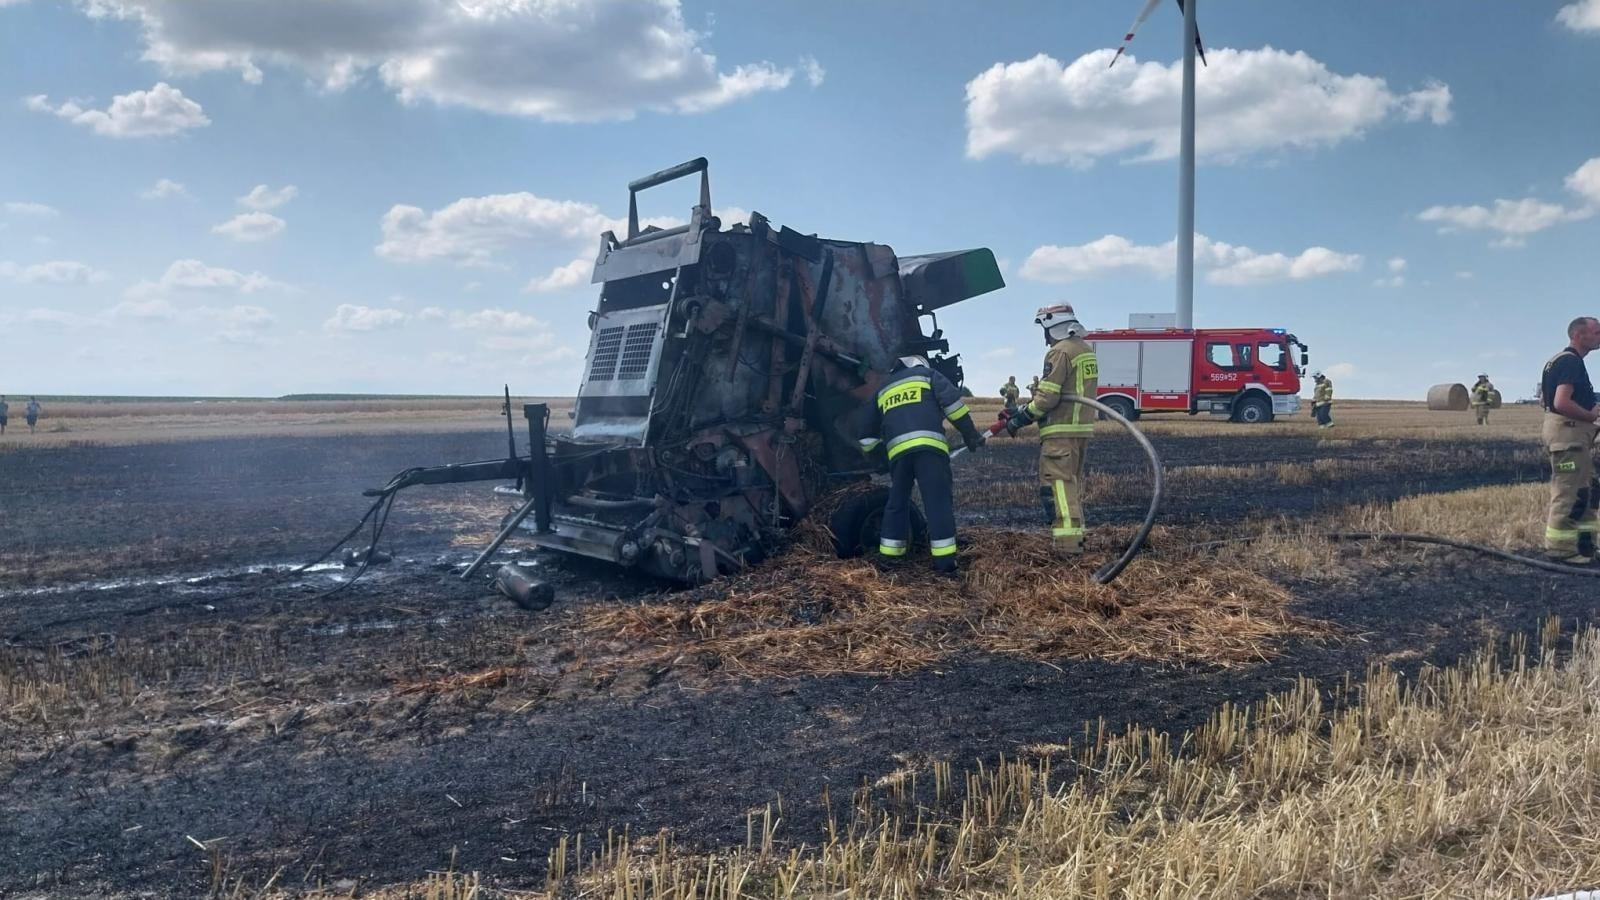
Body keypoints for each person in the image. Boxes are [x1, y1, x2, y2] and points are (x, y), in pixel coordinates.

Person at [856, 355, 983, 575]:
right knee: (937, 503)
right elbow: (955, 408)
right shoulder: (928, 376)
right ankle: (945, 565)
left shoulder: (883, 389)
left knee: (896, 503)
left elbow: (865, 436)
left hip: (898, 456)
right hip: (929, 451)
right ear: (920, 365)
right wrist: (970, 435)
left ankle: (889, 559)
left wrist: (882, 458)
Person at [1002, 304, 1098, 557]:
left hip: (1060, 432)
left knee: (1058, 490)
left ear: (1051, 325)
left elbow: (1047, 398)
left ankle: (1067, 549)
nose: (1045, 340)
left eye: (1044, 330)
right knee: (1069, 488)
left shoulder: (1060, 352)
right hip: (1079, 430)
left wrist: (1020, 419)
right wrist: (1022, 410)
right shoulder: (1084, 350)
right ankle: (1076, 542)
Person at [1540, 316, 1600, 563]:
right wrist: (1590, 414)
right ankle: (1561, 549)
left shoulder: (1560, 361)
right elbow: (1560, 402)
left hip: (1572, 436)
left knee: (1585, 491)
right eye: (1597, 332)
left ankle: (1585, 547)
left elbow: (1547, 401)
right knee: (1569, 492)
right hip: (1569, 438)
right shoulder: (1570, 362)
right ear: (1578, 335)